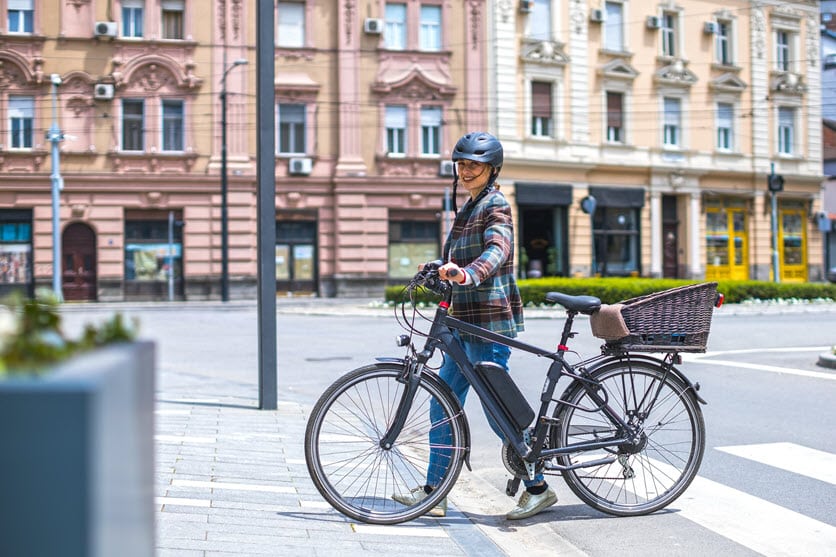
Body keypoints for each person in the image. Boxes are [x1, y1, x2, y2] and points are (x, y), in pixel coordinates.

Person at [393, 131, 557, 520]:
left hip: (489, 323)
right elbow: (459, 256)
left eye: (474, 165)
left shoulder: (496, 203)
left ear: (491, 170)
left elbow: (497, 249)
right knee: (442, 405)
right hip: (462, 323)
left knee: (497, 410)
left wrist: (468, 275)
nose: (465, 171)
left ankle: (539, 488)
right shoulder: (468, 206)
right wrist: (438, 267)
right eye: (461, 164)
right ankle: (436, 491)